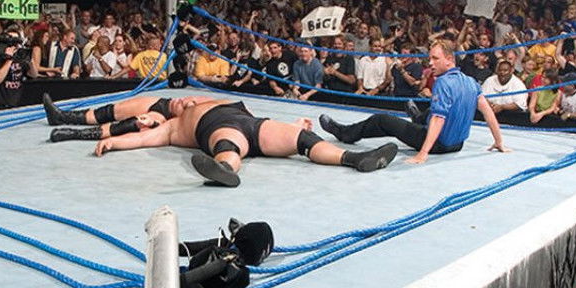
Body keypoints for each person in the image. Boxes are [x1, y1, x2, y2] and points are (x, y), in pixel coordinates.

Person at [92, 97, 399, 187]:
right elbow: (143, 138)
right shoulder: (171, 127)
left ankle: (354, 158)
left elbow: (261, 120)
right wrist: (115, 143)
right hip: (221, 129)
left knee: (302, 138)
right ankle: (225, 170)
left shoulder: (206, 99)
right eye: (170, 106)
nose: (177, 103)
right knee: (227, 145)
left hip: (254, 124)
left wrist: (292, 126)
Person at [320, 39, 508, 164]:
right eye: (430, 58)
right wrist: (499, 141)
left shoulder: (443, 82)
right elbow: (488, 112)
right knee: (435, 109)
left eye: (435, 58)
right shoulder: (471, 82)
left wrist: (423, 153)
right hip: (458, 144)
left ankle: (344, 133)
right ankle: (417, 116)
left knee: (381, 119)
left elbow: (438, 119)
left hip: (438, 144)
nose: (430, 63)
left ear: (449, 59)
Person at [44, 93, 200, 141]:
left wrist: (153, 123)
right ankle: (61, 116)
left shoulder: (187, 119)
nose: (181, 101)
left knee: (132, 124)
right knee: (110, 111)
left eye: (183, 105)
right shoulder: (200, 101)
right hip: (163, 103)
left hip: (166, 117)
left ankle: (73, 134)